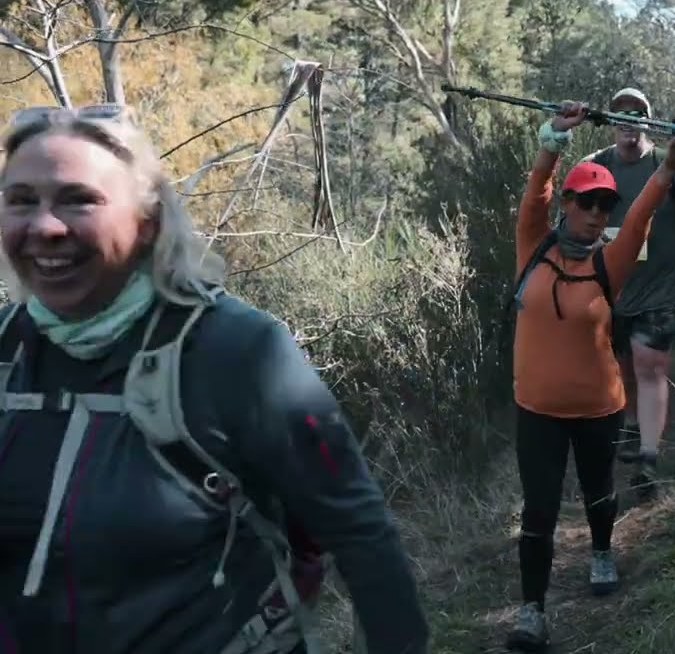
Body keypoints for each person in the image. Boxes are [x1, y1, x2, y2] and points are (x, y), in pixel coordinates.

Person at [0, 105, 428, 654]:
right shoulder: (9, 349)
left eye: (79, 199)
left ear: (148, 222)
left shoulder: (236, 351)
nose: (44, 227)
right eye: (21, 201)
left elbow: (359, 532)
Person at [507, 102, 675, 651]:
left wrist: (669, 167)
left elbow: (642, 214)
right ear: (567, 204)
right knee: (538, 509)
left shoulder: (611, 262)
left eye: (603, 204)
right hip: (536, 410)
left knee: (598, 492)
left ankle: (601, 550)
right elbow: (534, 195)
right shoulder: (531, 251)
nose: (595, 212)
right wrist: (552, 141)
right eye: (586, 202)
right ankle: (531, 611)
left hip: (598, 407)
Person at [584, 88, 675, 499]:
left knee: (650, 366)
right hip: (610, 292)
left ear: (649, 120)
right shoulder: (595, 167)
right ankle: (632, 420)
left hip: (661, 291)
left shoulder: (672, 167)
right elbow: (570, 225)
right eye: (620, 113)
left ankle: (648, 459)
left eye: (637, 113)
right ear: (611, 120)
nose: (628, 120)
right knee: (624, 365)